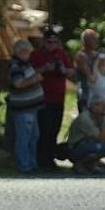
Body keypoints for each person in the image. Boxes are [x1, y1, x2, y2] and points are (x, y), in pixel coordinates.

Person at [30, 26, 76, 169]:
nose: (53, 45)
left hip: (59, 98)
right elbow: (29, 72)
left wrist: (63, 70)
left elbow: (72, 72)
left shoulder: (61, 54)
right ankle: (40, 159)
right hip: (42, 98)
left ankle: (50, 159)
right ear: (44, 42)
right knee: (43, 130)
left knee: (54, 129)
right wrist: (45, 68)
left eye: (55, 42)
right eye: (50, 42)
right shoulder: (36, 55)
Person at [7, 40, 44, 172]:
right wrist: (35, 79)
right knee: (24, 137)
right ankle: (24, 165)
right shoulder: (16, 65)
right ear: (19, 52)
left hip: (31, 108)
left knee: (33, 137)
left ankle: (31, 164)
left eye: (28, 51)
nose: (28, 54)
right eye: (25, 51)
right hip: (23, 108)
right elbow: (18, 83)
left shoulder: (25, 64)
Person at [66, 95, 105, 174]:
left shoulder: (98, 117)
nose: (104, 108)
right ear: (94, 106)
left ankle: (90, 165)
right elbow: (101, 139)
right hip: (75, 149)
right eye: (102, 106)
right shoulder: (85, 119)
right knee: (102, 147)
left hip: (88, 144)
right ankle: (79, 164)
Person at [74, 28, 100, 112]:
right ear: (85, 41)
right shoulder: (81, 56)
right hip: (85, 95)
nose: (96, 41)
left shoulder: (97, 55)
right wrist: (96, 63)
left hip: (96, 95)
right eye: (93, 39)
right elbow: (91, 79)